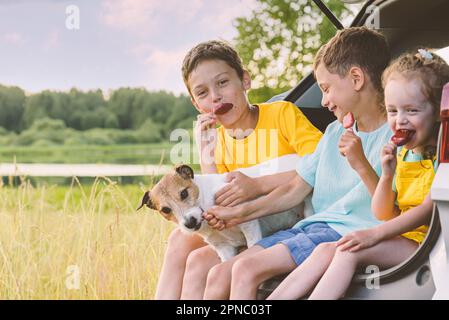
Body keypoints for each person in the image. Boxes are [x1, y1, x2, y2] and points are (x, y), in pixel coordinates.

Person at [203, 27, 391, 300]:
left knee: (245, 269)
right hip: (311, 227)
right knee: (221, 273)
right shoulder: (333, 134)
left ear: (356, 78)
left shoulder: (393, 137)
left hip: (344, 232)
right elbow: (293, 190)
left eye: (326, 89)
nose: (324, 101)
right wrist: (240, 213)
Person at [267, 49, 449, 300]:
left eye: (412, 111)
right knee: (326, 249)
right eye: (393, 111)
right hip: (400, 238)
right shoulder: (404, 155)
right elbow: (384, 212)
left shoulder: (440, 155)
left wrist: (373, 234)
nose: (400, 121)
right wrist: (386, 175)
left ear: (439, 109)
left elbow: (428, 209)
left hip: (425, 243)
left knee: (349, 250)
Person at [155, 40, 323, 299]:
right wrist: (206, 152)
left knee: (201, 263)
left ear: (245, 80)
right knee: (180, 240)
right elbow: (213, 207)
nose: (215, 96)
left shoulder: (281, 114)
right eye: (202, 93)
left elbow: (324, 166)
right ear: (196, 104)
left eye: (222, 83)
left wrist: (257, 186)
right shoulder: (218, 140)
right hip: (243, 226)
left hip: (288, 216)